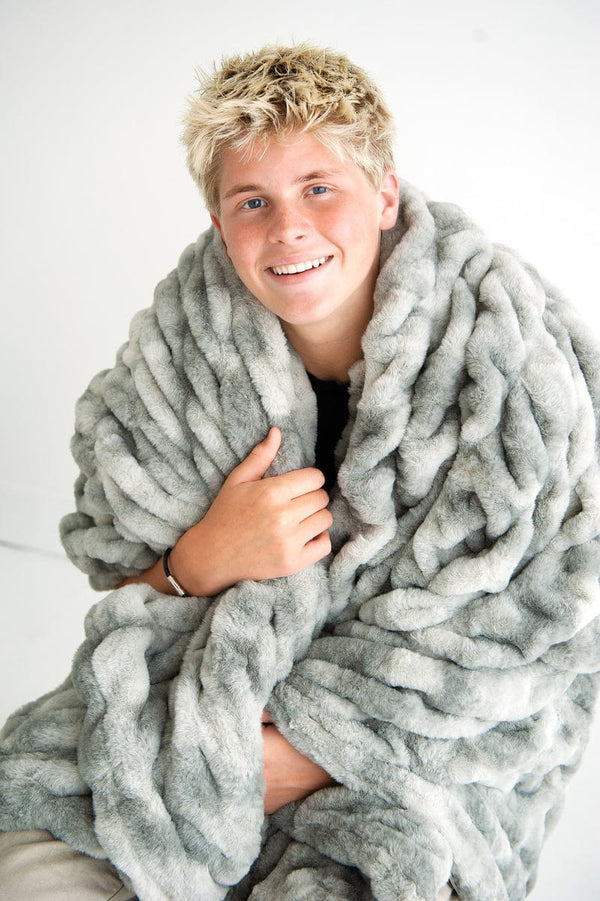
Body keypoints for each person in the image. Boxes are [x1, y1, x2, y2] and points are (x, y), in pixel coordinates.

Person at [1, 44, 599, 901]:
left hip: (420, 756)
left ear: (385, 193)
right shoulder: (180, 360)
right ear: (218, 222)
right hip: (186, 711)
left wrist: (315, 750)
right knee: (27, 862)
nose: (288, 227)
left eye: (321, 187)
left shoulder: (512, 371)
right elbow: (123, 582)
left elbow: (544, 634)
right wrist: (200, 559)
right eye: (254, 201)